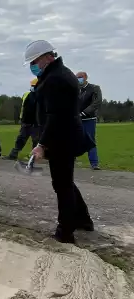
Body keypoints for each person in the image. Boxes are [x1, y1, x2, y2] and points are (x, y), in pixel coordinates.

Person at [25, 39, 95, 243]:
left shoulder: (56, 78)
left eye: (35, 61)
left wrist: (41, 144)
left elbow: (55, 116)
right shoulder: (58, 74)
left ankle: (66, 231)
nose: (33, 65)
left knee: (62, 185)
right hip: (65, 136)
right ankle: (83, 219)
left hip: (62, 139)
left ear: (48, 56)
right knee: (66, 182)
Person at [4, 78, 40, 160]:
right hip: (26, 122)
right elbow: (23, 108)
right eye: (32, 86)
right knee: (20, 139)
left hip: (36, 123)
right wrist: (22, 119)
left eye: (34, 86)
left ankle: (33, 158)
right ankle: (13, 155)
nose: (33, 87)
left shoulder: (42, 95)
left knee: (36, 141)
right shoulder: (27, 94)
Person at [76, 71, 103, 170]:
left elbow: (97, 102)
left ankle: (94, 163)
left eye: (80, 77)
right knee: (73, 139)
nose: (78, 79)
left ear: (86, 77)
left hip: (89, 119)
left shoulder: (94, 88)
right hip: (76, 119)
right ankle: (71, 159)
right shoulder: (75, 89)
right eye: (77, 77)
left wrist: (84, 112)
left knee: (90, 140)